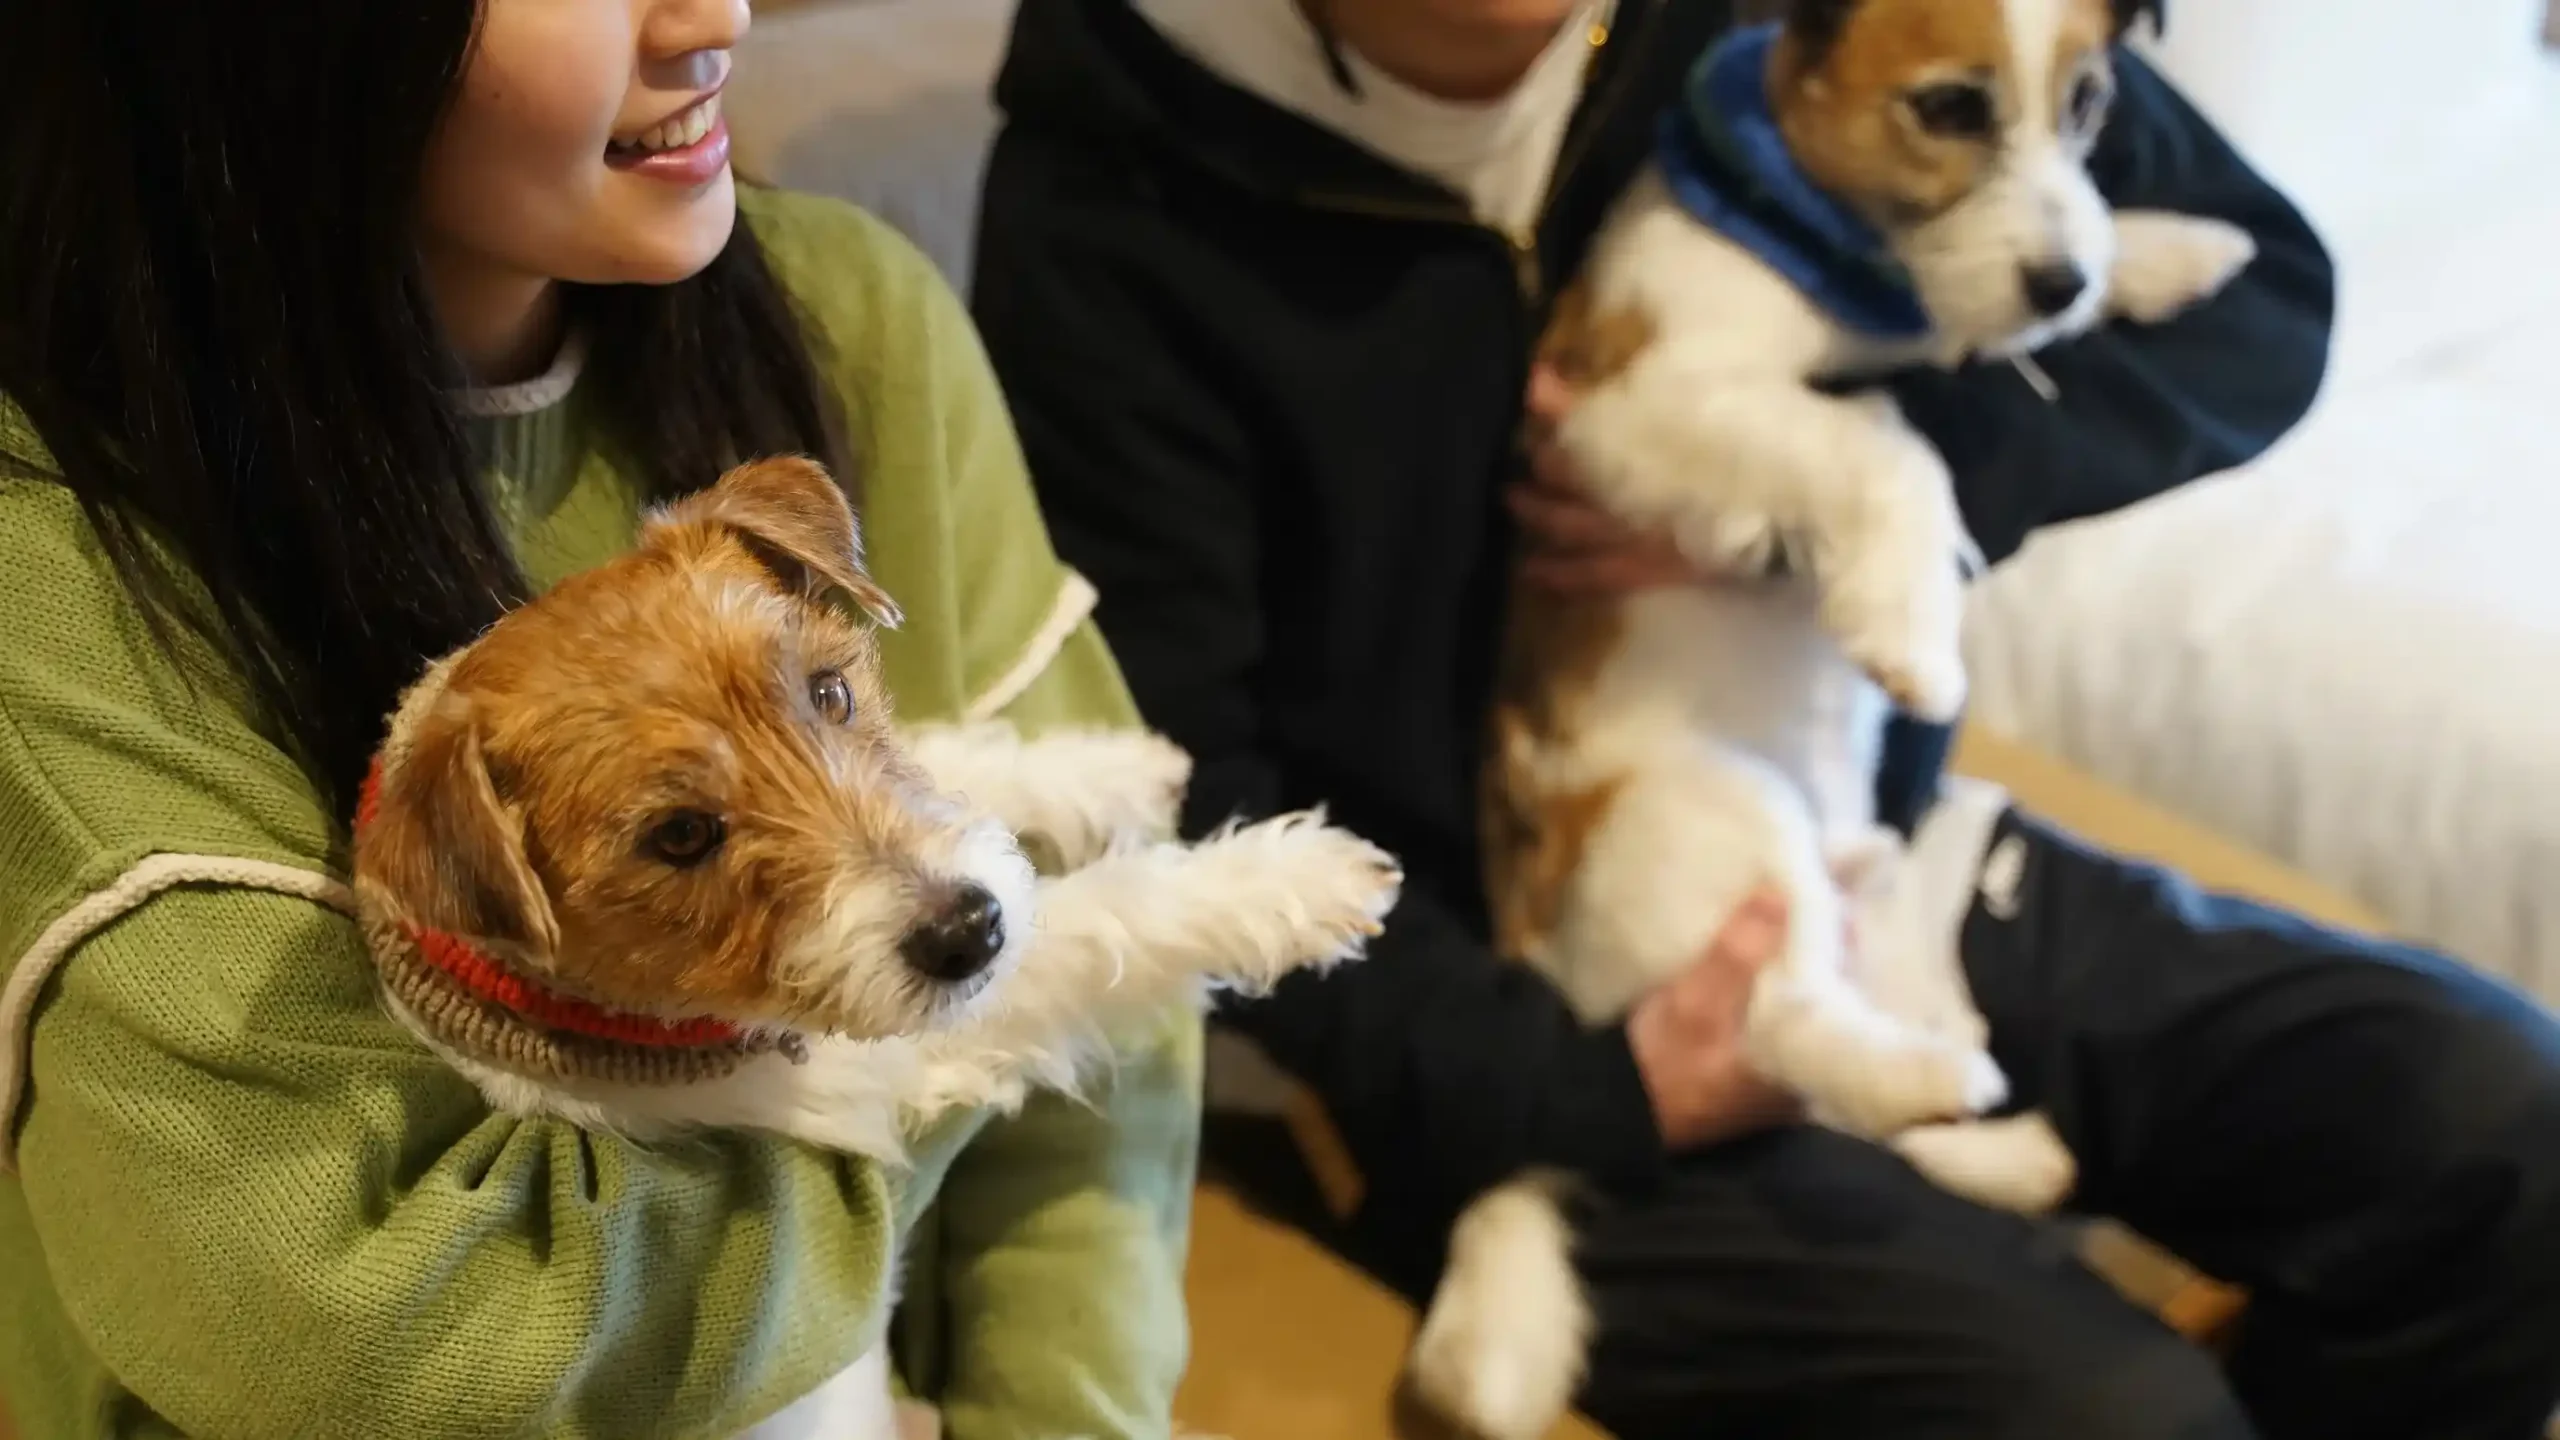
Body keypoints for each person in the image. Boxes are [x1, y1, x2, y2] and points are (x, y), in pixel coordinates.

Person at [967, 1, 2560, 1437]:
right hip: (1482, 1011)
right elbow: (1181, 794)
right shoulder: (1113, 202)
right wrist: (1590, 1092)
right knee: (2113, 1417)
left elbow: (2256, 293)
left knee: (2508, 1131)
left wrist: (1813, 486)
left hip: (1866, 825)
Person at [0, 1, 1201, 1436]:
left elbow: (1109, 1080)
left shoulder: (857, 316)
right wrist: (977, 1030)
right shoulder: (60, 556)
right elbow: (366, 1335)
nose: (715, 13)